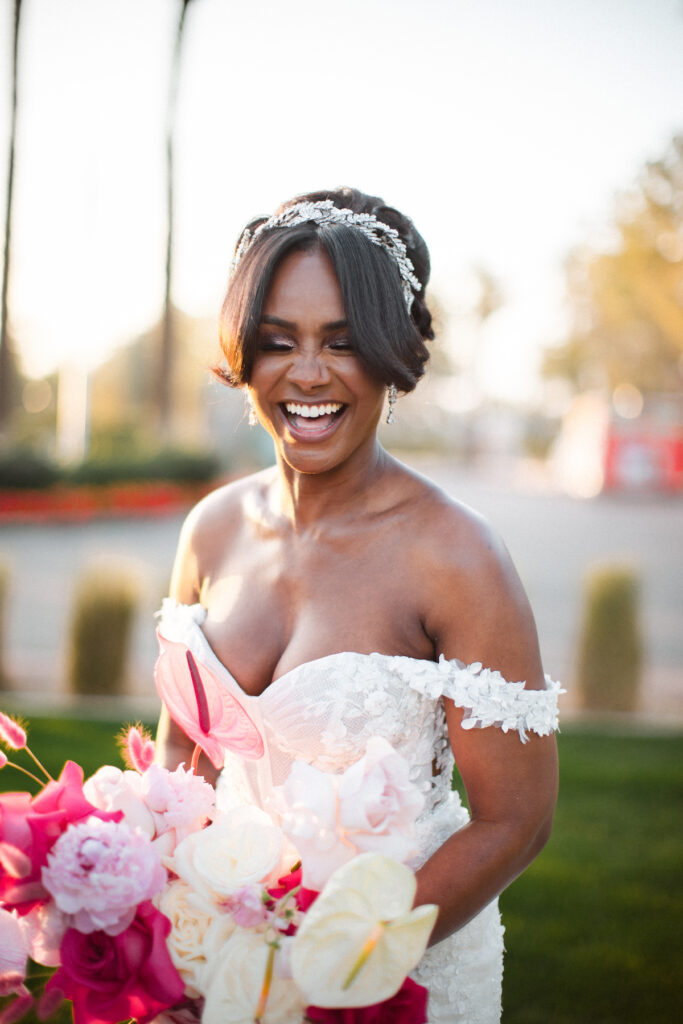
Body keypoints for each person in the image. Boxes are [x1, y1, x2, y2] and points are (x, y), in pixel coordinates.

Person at [155, 187, 561, 1023]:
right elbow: (181, 766)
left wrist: (337, 970)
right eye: (278, 343)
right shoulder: (211, 530)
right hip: (214, 964)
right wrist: (162, 937)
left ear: (390, 354)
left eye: (342, 342)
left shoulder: (456, 556)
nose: (307, 373)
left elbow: (513, 822)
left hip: (391, 977)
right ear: (245, 354)